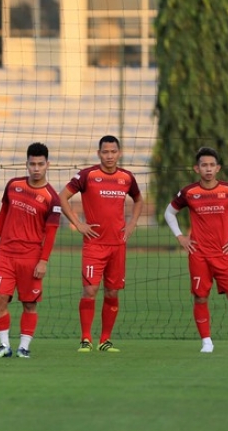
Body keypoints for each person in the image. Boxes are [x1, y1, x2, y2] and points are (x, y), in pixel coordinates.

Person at [164, 147, 228, 353]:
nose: (208, 169)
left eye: (212, 165)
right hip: (198, 255)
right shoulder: (189, 192)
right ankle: (207, 342)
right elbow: (169, 213)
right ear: (196, 168)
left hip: (224, 254)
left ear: (218, 168)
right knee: (200, 297)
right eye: (204, 165)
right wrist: (180, 237)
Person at [58, 135, 143, 353]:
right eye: (105, 152)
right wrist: (78, 224)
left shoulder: (126, 177)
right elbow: (62, 197)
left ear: (119, 153)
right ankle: (85, 338)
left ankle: (105, 340)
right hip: (94, 245)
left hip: (117, 245)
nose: (109, 156)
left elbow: (139, 199)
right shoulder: (87, 175)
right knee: (90, 289)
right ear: (99, 153)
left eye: (113, 152)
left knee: (112, 292)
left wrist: (132, 223)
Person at [0, 143, 61, 358]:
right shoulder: (13, 185)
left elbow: (51, 233)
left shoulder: (52, 198)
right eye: (32, 164)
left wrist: (44, 260)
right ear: (26, 164)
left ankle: (24, 347)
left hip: (31, 257)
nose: (36, 168)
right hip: (6, 254)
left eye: (40, 164)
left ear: (48, 164)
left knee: (29, 303)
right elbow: (3, 211)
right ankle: (4, 345)